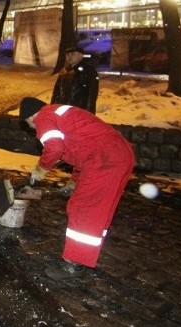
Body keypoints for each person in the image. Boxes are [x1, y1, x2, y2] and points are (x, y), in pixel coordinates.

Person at [19, 97, 135, 280]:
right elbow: (82, 149)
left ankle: (73, 263)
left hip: (105, 159)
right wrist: (75, 180)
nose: (33, 129)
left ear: (31, 116)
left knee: (82, 208)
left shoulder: (44, 117)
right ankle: (86, 256)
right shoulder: (61, 114)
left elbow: (54, 147)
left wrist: (41, 169)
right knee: (99, 211)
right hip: (117, 156)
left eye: (29, 124)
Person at [51, 46, 99, 113]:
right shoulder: (64, 71)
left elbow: (91, 95)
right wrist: (53, 107)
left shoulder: (88, 71)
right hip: (62, 111)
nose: (69, 57)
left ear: (80, 55)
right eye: (67, 54)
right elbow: (56, 92)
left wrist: (88, 114)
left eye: (72, 54)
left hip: (78, 112)